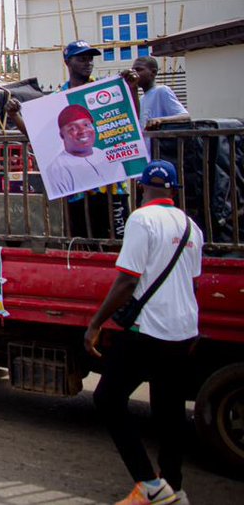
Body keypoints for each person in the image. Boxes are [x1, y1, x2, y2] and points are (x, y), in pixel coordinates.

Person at [85, 160, 203, 505]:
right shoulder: (191, 226)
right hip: (183, 330)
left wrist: (95, 324)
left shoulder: (141, 219)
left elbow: (127, 280)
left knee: (107, 399)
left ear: (141, 188)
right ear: (174, 191)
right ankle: (174, 489)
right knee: (169, 412)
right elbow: (192, 284)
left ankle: (149, 486)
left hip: (149, 329)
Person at [7, 39, 134, 239]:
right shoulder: (56, 99)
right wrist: (15, 116)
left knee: (118, 245)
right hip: (77, 193)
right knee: (84, 248)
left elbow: (129, 118)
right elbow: (38, 137)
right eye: (81, 58)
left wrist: (132, 88)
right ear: (67, 62)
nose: (88, 63)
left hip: (112, 190)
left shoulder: (106, 89)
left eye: (90, 59)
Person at [43, 104, 128, 196]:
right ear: (62, 135)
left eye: (86, 125)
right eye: (72, 128)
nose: (82, 131)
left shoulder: (106, 156)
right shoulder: (57, 169)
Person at [131, 55, 189, 128]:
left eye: (138, 70)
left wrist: (161, 120)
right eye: (133, 71)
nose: (134, 74)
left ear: (153, 72)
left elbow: (185, 116)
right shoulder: (141, 99)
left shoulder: (161, 90)